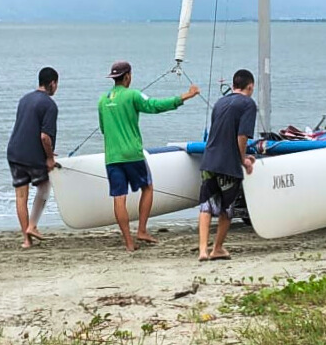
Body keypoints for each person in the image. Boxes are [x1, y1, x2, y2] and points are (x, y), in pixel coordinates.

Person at [98, 60, 199, 251]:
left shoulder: (102, 100)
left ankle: (128, 242)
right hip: (132, 155)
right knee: (148, 187)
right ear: (127, 76)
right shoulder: (132, 95)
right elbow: (155, 106)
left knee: (119, 198)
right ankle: (142, 230)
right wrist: (187, 95)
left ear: (113, 78)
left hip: (112, 157)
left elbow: (104, 129)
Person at [197, 69, 257, 261]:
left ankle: (202, 251)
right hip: (228, 164)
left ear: (233, 86)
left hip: (209, 161)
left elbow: (221, 133)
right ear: (250, 87)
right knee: (226, 209)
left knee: (206, 206)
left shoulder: (219, 102)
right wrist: (244, 160)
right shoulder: (248, 104)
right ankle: (217, 248)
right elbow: (241, 136)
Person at [7, 67, 59, 249]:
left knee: (21, 196)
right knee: (45, 187)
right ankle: (33, 225)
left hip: (14, 152)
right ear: (52, 83)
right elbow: (44, 137)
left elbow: (27, 129)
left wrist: (48, 152)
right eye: (56, 84)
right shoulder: (49, 105)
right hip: (31, 156)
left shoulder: (24, 99)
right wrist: (50, 158)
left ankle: (26, 240)